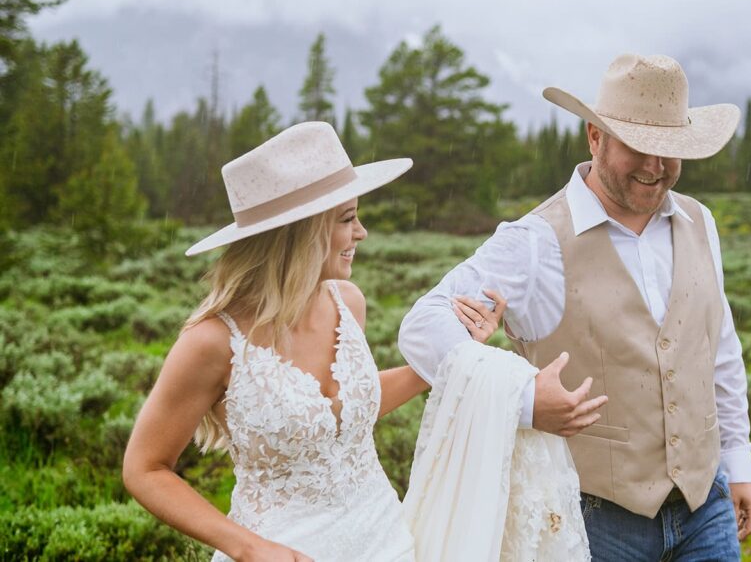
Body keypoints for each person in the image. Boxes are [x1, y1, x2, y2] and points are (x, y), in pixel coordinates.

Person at [400, 53, 751, 561]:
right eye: (640, 147)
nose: (656, 168)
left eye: (670, 150)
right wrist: (522, 399)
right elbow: (423, 325)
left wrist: (737, 462)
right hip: (593, 519)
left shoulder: (701, 222)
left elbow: (718, 349)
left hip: (707, 506)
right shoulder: (535, 240)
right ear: (595, 136)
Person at [122, 121, 505, 561]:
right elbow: (144, 469)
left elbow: (343, 415)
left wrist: (451, 355)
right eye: (347, 219)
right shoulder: (211, 341)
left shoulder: (348, 304)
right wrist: (248, 548)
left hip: (386, 542)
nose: (361, 232)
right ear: (299, 233)